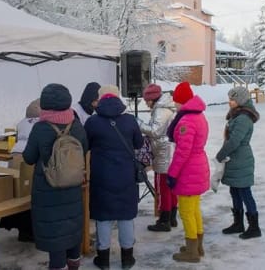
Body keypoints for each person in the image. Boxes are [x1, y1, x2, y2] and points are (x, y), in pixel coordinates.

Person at [22, 83, 88, 270]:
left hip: (48, 188)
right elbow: (85, 148)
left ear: (45, 103)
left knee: (55, 232)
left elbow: (28, 158)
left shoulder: (40, 128)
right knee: (71, 227)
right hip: (73, 185)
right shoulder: (76, 125)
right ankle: (74, 264)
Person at [84, 84, 143, 270]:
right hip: (126, 175)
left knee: (103, 217)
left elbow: (85, 145)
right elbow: (139, 143)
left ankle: (103, 260)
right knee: (126, 216)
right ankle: (127, 258)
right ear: (118, 98)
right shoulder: (130, 120)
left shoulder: (92, 122)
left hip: (102, 176)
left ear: (100, 99)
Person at [166, 81, 210, 263]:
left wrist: (172, 174)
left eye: (176, 101)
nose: (174, 104)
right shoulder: (199, 116)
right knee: (194, 210)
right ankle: (197, 246)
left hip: (189, 170)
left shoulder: (186, 121)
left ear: (182, 101)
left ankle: (191, 252)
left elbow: (182, 152)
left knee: (186, 212)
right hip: (198, 167)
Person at [214, 86, 262, 240]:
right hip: (235, 159)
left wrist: (221, 154)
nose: (230, 102)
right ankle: (238, 223)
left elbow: (234, 141)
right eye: (229, 99)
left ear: (240, 100)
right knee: (234, 191)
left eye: (232, 99)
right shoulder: (237, 114)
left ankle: (254, 227)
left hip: (241, 159)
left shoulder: (243, 118)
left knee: (245, 193)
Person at [0, 98, 40, 242]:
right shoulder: (41, 124)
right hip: (29, 159)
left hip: (15, 157)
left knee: (18, 193)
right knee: (29, 195)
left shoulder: (22, 123)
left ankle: (22, 230)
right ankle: (30, 232)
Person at [138, 83, 177, 232]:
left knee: (162, 187)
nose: (146, 103)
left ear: (152, 99)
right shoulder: (165, 107)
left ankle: (164, 219)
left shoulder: (161, 110)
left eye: (147, 100)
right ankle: (172, 217)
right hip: (166, 151)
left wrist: (139, 123)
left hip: (163, 153)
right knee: (169, 186)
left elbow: (154, 131)